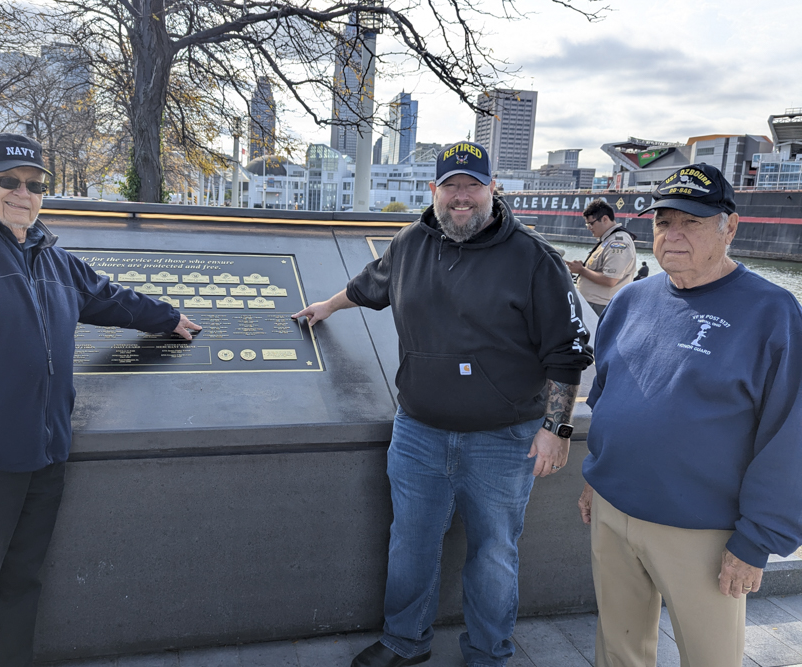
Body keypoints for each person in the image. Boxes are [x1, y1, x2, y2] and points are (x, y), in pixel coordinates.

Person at [0, 133, 201, 666]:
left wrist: (168, 319)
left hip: (40, 457)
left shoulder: (49, 254)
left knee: (18, 586)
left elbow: (107, 297)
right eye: (9, 181)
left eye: (35, 185)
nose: (24, 193)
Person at [293, 142, 592, 667]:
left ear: (492, 189)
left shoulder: (534, 258)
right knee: (410, 544)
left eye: (472, 185)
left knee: (494, 555)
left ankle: (488, 654)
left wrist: (556, 429)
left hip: (505, 439)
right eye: (450, 186)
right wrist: (327, 306)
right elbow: (368, 287)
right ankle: (404, 642)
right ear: (433, 191)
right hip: (419, 433)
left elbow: (567, 355)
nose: (461, 197)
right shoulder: (409, 243)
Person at [577, 163, 802, 667]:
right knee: (618, 647)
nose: (673, 235)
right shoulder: (631, 299)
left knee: (709, 658)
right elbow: (606, 397)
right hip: (613, 512)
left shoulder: (773, 312)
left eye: (692, 222)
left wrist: (756, 541)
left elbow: (790, 436)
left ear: (730, 227)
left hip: (702, 533)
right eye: (663, 222)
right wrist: (596, 476)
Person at [565, 200, 637, 316]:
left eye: (591, 223)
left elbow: (610, 279)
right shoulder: (607, 240)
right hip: (594, 304)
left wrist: (581, 270)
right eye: (587, 224)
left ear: (605, 219)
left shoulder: (617, 242)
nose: (589, 227)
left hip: (601, 306)